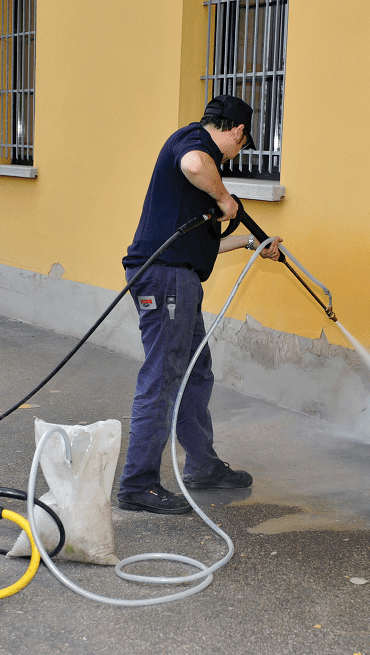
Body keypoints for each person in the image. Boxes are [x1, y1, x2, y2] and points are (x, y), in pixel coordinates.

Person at [117, 95, 282, 515]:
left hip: (179, 276)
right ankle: (138, 484)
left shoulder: (196, 179)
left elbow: (199, 247)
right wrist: (226, 199)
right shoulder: (194, 144)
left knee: (194, 371)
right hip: (165, 278)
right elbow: (195, 164)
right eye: (240, 147)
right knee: (164, 375)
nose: (231, 157)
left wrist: (250, 241)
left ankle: (203, 467)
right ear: (238, 132)